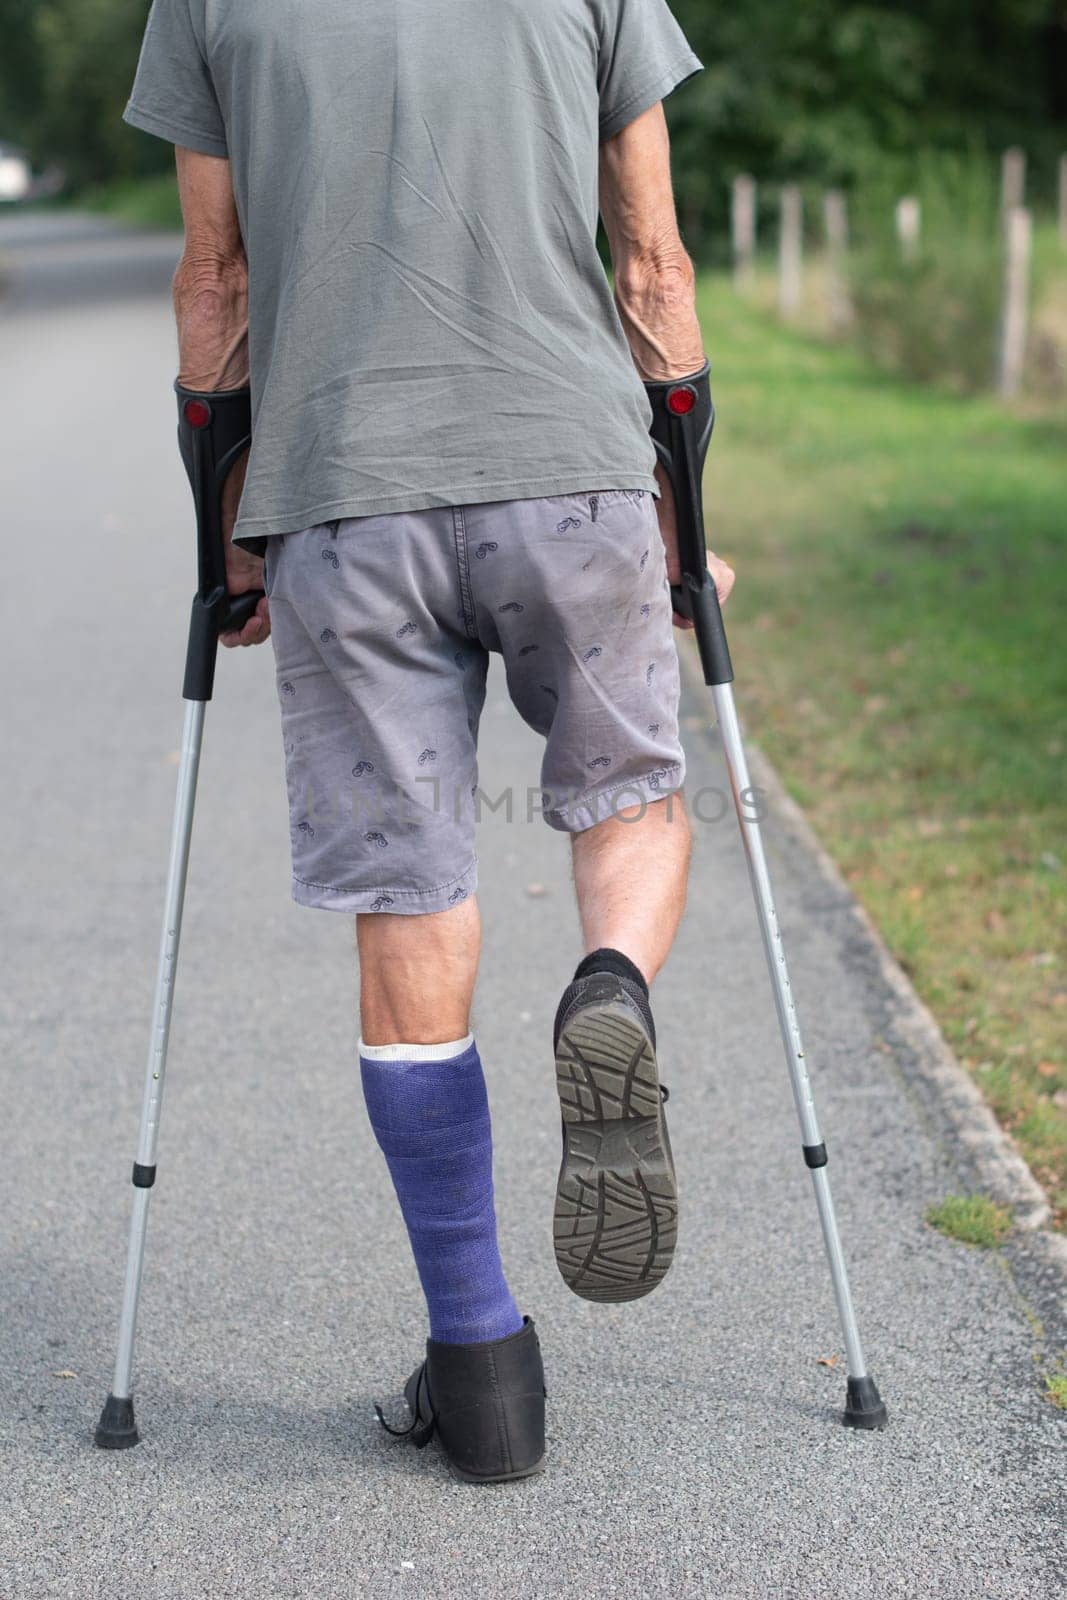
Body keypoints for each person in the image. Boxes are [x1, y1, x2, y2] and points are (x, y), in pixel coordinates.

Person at [124, 0, 734, 1485]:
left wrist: (230, 543)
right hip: (571, 466)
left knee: (411, 899)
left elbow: (218, 280)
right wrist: (685, 517)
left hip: (344, 489)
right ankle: (610, 990)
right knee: (629, 802)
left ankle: (483, 1379)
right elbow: (651, 261)